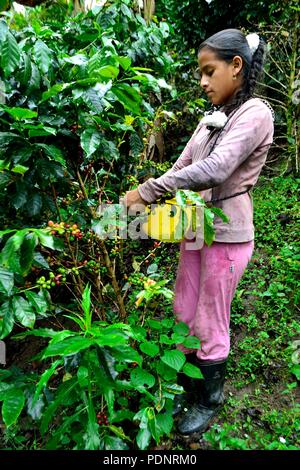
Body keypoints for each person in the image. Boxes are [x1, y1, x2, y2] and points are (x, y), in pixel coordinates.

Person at [124, 29, 274, 435]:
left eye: (210, 71)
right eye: (200, 74)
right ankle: (185, 380)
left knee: (210, 319)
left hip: (228, 235)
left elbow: (217, 169)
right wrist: (139, 202)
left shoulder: (256, 113)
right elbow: (182, 167)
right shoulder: (209, 121)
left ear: (236, 66)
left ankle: (209, 397)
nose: (203, 82)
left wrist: (150, 189)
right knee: (183, 309)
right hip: (195, 229)